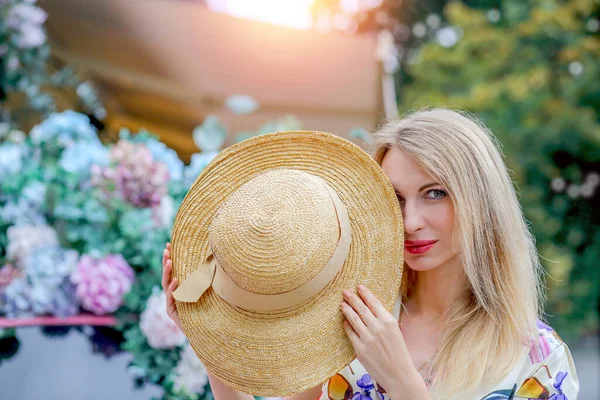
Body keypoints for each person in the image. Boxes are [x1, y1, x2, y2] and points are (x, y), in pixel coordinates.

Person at [162, 108, 579, 399]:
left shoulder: (537, 358)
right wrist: (209, 339)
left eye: (435, 193)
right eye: (394, 198)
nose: (410, 220)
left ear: (481, 201)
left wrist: (402, 383)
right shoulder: (345, 318)